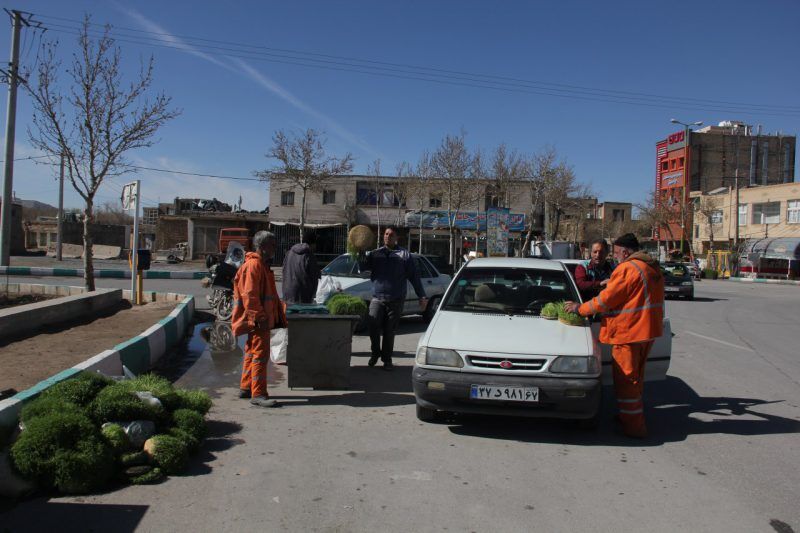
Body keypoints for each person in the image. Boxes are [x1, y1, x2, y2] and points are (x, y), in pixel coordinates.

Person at [564, 233, 664, 438]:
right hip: (647, 331)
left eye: (616, 253)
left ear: (625, 252)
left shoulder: (627, 269)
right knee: (636, 380)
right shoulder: (651, 267)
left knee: (626, 383)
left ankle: (634, 428)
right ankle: (630, 418)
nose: (615, 257)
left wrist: (579, 309)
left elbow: (605, 301)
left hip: (629, 333)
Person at [231, 230, 287, 407]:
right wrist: (260, 317)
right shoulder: (254, 266)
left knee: (251, 353)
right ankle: (259, 394)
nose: (274, 248)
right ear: (262, 246)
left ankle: (246, 387)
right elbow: (250, 296)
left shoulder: (260, 265)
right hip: (258, 321)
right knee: (260, 356)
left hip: (257, 320)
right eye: (272, 245)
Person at [361, 226, 427, 371]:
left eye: (391, 234)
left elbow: (414, 277)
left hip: (396, 299)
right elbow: (362, 268)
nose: (387, 236)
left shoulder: (404, 255)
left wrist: (421, 295)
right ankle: (375, 353)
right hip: (377, 298)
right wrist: (359, 251)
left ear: (397, 237)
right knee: (373, 326)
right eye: (385, 234)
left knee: (389, 331)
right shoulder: (375, 254)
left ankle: (387, 359)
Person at [282, 229, 321, 304]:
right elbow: (314, 276)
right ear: (312, 243)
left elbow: (284, 270)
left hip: (287, 295)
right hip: (302, 297)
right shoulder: (309, 255)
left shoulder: (289, 253)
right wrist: (313, 295)